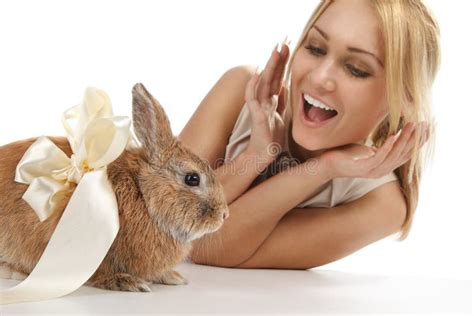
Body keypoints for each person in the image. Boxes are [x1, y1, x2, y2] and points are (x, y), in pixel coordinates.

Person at [178, 0, 440, 269]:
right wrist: (257, 154)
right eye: (315, 48)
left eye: (356, 69)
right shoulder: (241, 91)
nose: (318, 78)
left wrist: (323, 168)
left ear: (403, 99)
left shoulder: (383, 204)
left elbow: (207, 246)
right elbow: (167, 221)